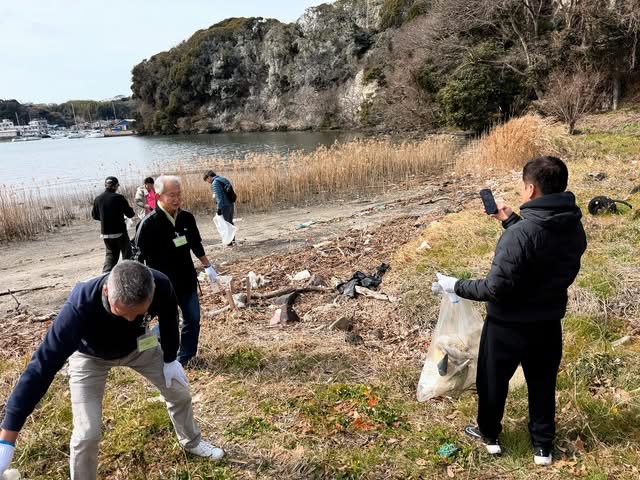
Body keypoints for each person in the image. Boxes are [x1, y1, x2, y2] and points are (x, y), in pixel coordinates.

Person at [0, 261, 224, 480]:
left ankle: (191, 441)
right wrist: (8, 438)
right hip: (90, 357)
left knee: (179, 392)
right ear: (107, 291)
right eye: (122, 312)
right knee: (87, 434)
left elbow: (169, 318)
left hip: (139, 346)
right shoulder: (79, 308)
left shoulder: (161, 284)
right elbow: (41, 367)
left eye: (138, 314)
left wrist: (169, 358)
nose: (129, 319)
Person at [432, 156, 587, 466]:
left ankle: (489, 436)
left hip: (507, 326)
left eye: (523, 186)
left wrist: (455, 285)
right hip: (547, 325)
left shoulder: (518, 236)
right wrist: (511, 219)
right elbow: (541, 249)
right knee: (543, 384)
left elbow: (494, 288)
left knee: (493, 382)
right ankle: (542, 448)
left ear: (530, 189)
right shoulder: (572, 227)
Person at [135, 175, 218, 366]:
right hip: (163, 284)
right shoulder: (148, 224)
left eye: (179, 194)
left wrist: (208, 265)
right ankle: (163, 355)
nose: (176, 199)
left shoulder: (186, 218)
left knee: (193, 318)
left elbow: (195, 244)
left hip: (187, 279)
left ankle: (186, 357)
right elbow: (138, 259)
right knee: (169, 322)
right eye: (171, 195)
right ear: (158, 196)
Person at [92, 176, 135, 273]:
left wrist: (105, 218)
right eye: (117, 185)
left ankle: (104, 276)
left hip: (105, 234)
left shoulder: (98, 199)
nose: (117, 187)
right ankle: (129, 275)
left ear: (105, 185)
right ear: (115, 186)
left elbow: (94, 216)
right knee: (127, 256)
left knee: (111, 255)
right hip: (120, 232)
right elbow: (130, 214)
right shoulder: (118, 198)